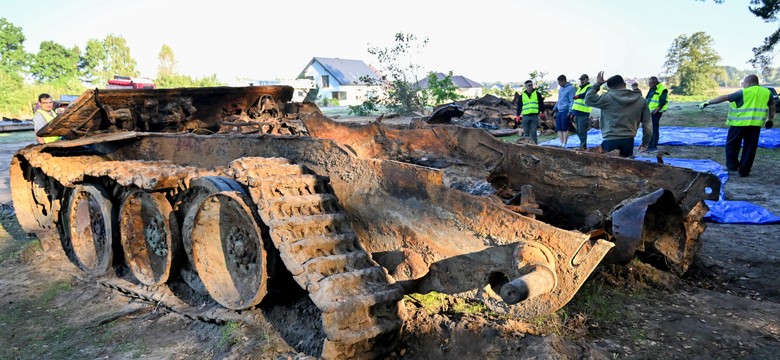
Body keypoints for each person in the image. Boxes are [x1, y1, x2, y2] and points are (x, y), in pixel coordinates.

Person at [699, 74, 775, 177]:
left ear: (750, 83)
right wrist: (769, 119)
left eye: (744, 83)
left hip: (739, 124)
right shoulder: (767, 93)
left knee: (732, 145)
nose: (743, 85)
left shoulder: (743, 92)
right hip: (755, 126)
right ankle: (744, 171)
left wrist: (709, 102)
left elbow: (726, 97)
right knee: (750, 148)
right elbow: (772, 106)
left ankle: (732, 167)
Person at [584, 71, 652, 157]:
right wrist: (645, 142)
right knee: (626, 168)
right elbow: (647, 124)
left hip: (610, 140)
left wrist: (598, 84)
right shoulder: (641, 100)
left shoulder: (607, 98)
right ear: (624, 84)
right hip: (629, 141)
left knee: (608, 168)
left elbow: (588, 99)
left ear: (609, 87)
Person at [645, 76, 668, 153]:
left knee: (654, 129)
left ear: (655, 83)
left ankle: (653, 147)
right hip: (650, 111)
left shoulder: (662, 89)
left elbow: (663, 101)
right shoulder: (652, 89)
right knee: (649, 129)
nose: (649, 85)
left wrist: (656, 110)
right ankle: (649, 145)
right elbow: (648, 98)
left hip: (656, 112)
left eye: (650, 83)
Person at [570, 74, 592, 150]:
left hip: (584, 112)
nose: (581, 81)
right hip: (577, 112)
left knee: (582, 130)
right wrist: (572, 112)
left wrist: (578, 96)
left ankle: (583, 146)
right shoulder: (579, 89)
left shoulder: (589, 88)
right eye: (581, 79)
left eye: (583, 79)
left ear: (587, 79)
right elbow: (575, 102)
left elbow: (585, 95)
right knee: (579, 131)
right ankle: (582, 145)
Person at [555, 75, 575, 148]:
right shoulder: (560, 89)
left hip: (566, 110)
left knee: (564, 128)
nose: (559, 84)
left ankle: (565, 143)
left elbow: (572, 101)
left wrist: (570, 111)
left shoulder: (571, 88)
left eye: (560, 82)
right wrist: (555, 108)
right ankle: (561, 142)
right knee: (558, 128)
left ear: (564, 81)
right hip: (559, 110)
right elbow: (559, 100)